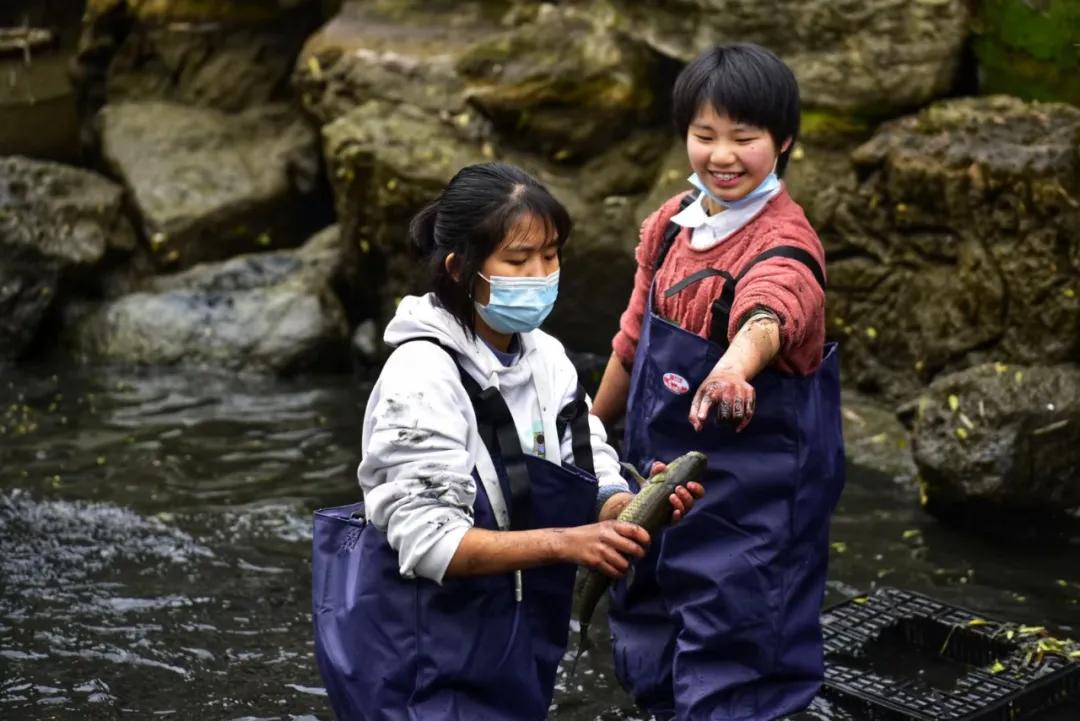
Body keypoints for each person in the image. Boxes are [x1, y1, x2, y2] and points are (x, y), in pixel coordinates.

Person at [312, 162, 703, 721]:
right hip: (422, 654)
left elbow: (589, 463)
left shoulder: (547, 358)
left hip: (516, 643)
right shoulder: (421, 374)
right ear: (460, 268)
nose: (541, 273)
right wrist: (567, 544)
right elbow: (428, 543)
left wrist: (629, 511)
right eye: (518, 261)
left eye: (550, 255)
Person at [591, 44, 846, 721]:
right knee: (647, 628)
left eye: (744, 138)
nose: (722, 155)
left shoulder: (786, 243)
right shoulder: (669, 226)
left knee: (736, 651)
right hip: (656, 486)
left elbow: (771, 311)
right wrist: (581, 433)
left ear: (783, 140)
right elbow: (630, 340)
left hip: (750, 509)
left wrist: (734, 366)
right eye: (705, 136)